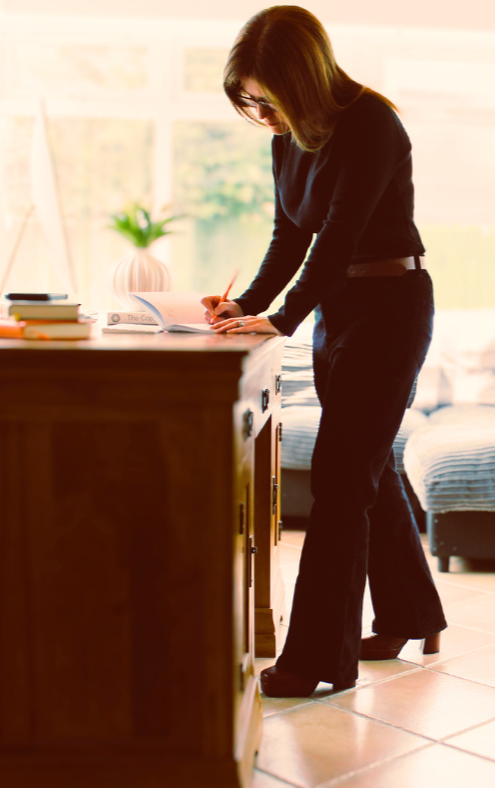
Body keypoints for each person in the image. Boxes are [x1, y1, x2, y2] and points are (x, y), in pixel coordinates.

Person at [201, 5, 447, 698]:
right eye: (246, 101)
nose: (257, 113)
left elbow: (337, 240)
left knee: (340, 478)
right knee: (359, 464)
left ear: (301, 79)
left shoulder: (371, 123)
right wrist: (244, 308)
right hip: (337, 312)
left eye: (264, 98)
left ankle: (317, 661)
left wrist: (277, 321)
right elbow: (290, 237)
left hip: (390, 308)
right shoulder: (288, 136)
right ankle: (410, 613)